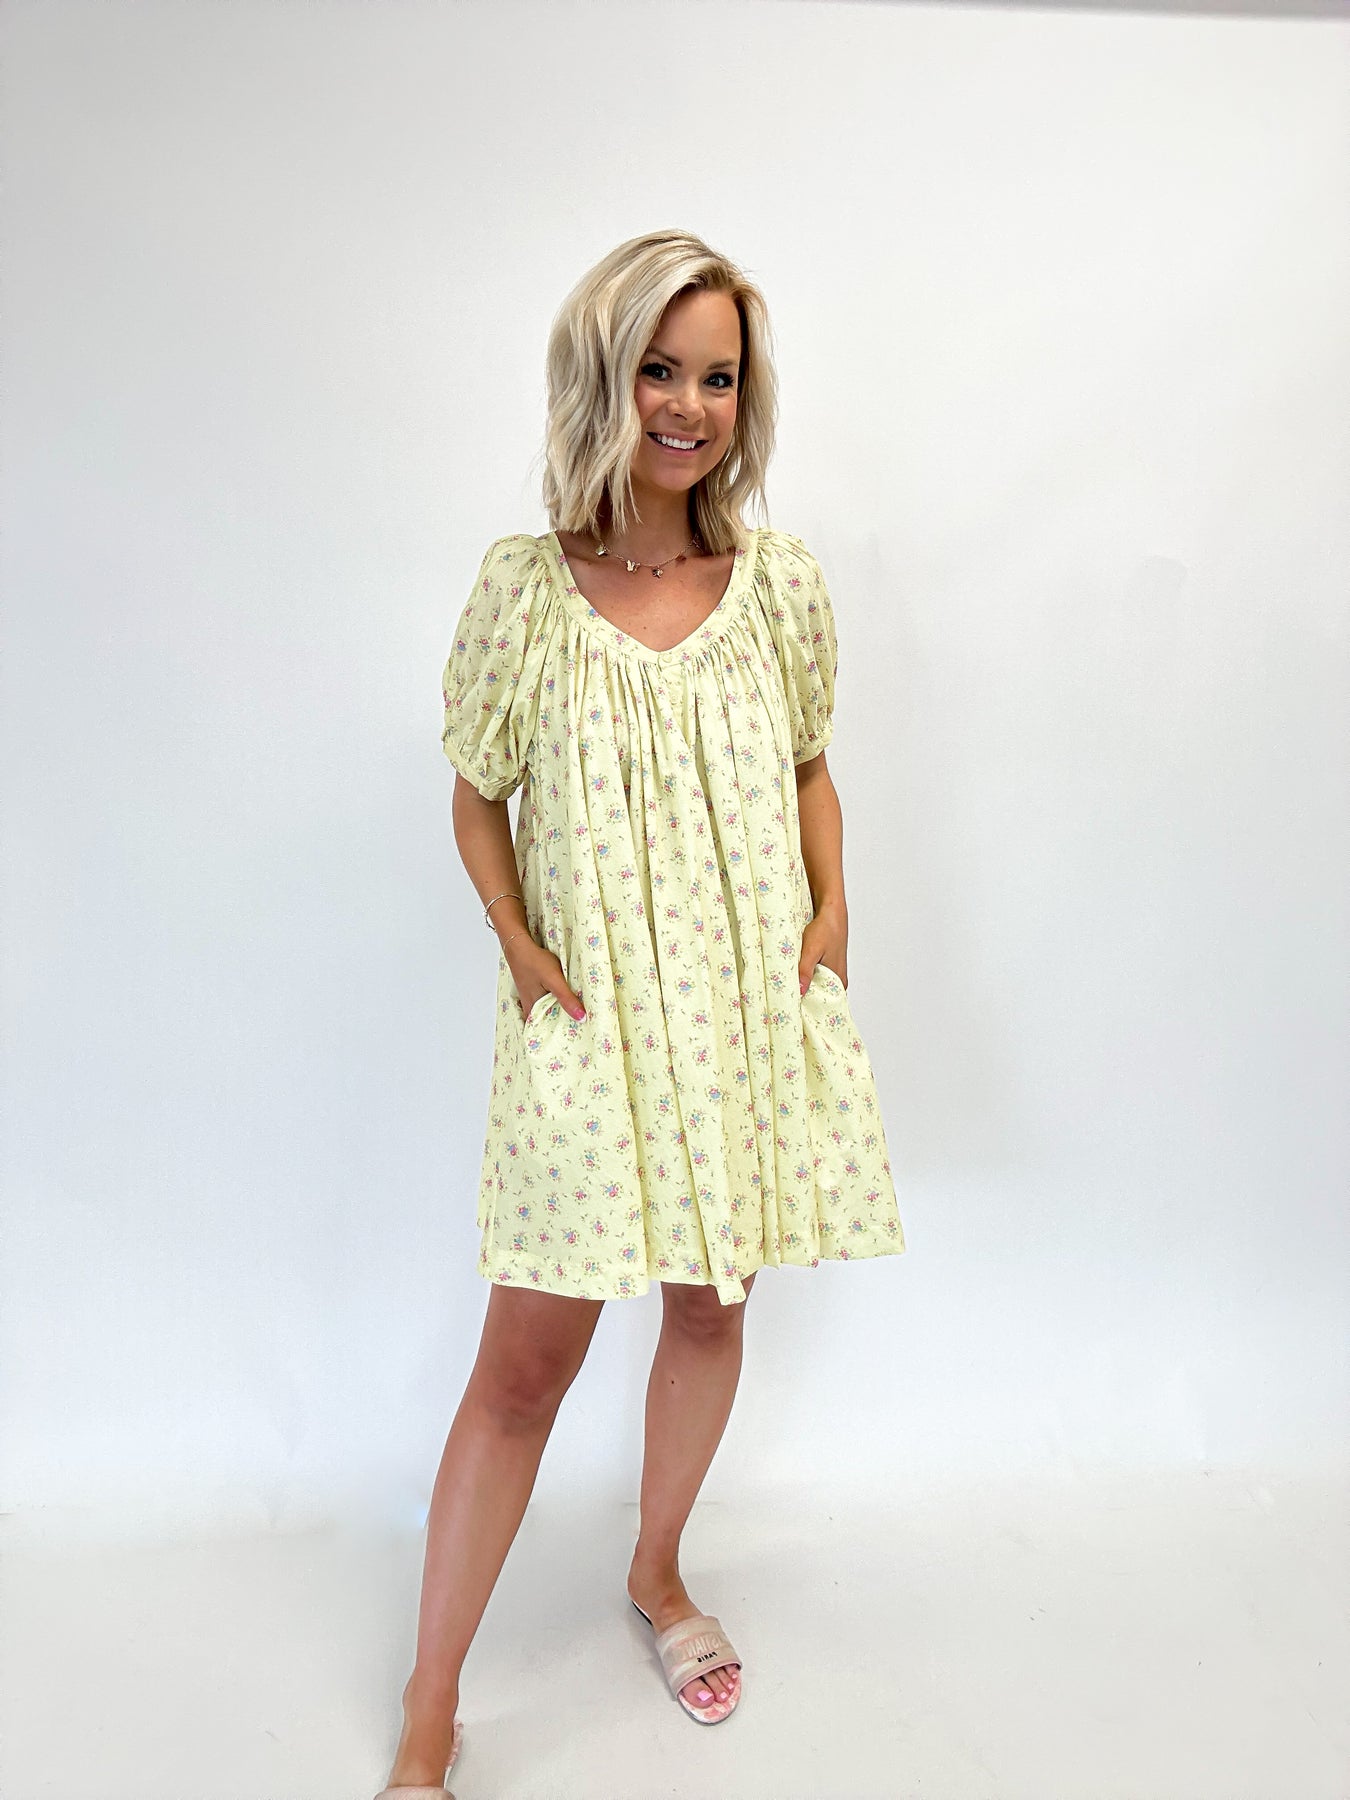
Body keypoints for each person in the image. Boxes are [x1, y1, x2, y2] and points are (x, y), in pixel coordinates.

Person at [375, 228, 906, 1800]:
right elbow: (476, 790)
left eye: (717, 377)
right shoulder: (524, 591)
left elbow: (808, 764)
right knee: (521, 1371)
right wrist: (514, 940)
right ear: (600, 381)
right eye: (657, 369)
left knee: (710, 1307)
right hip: (590, 1025)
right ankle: (429, 1704)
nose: (686, 404)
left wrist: (831, 906)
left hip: (739, 1013)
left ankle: (658, 1573)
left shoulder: (778, 586)